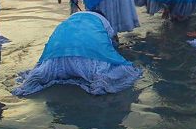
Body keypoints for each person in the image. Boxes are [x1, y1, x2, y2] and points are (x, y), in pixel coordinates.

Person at [13, 11, 143, 96]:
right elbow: (113, 42)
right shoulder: (103, 21)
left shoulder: (71, 19)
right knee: (121, 71)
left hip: (57, 57)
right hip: (88, 59)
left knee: (41, 73)